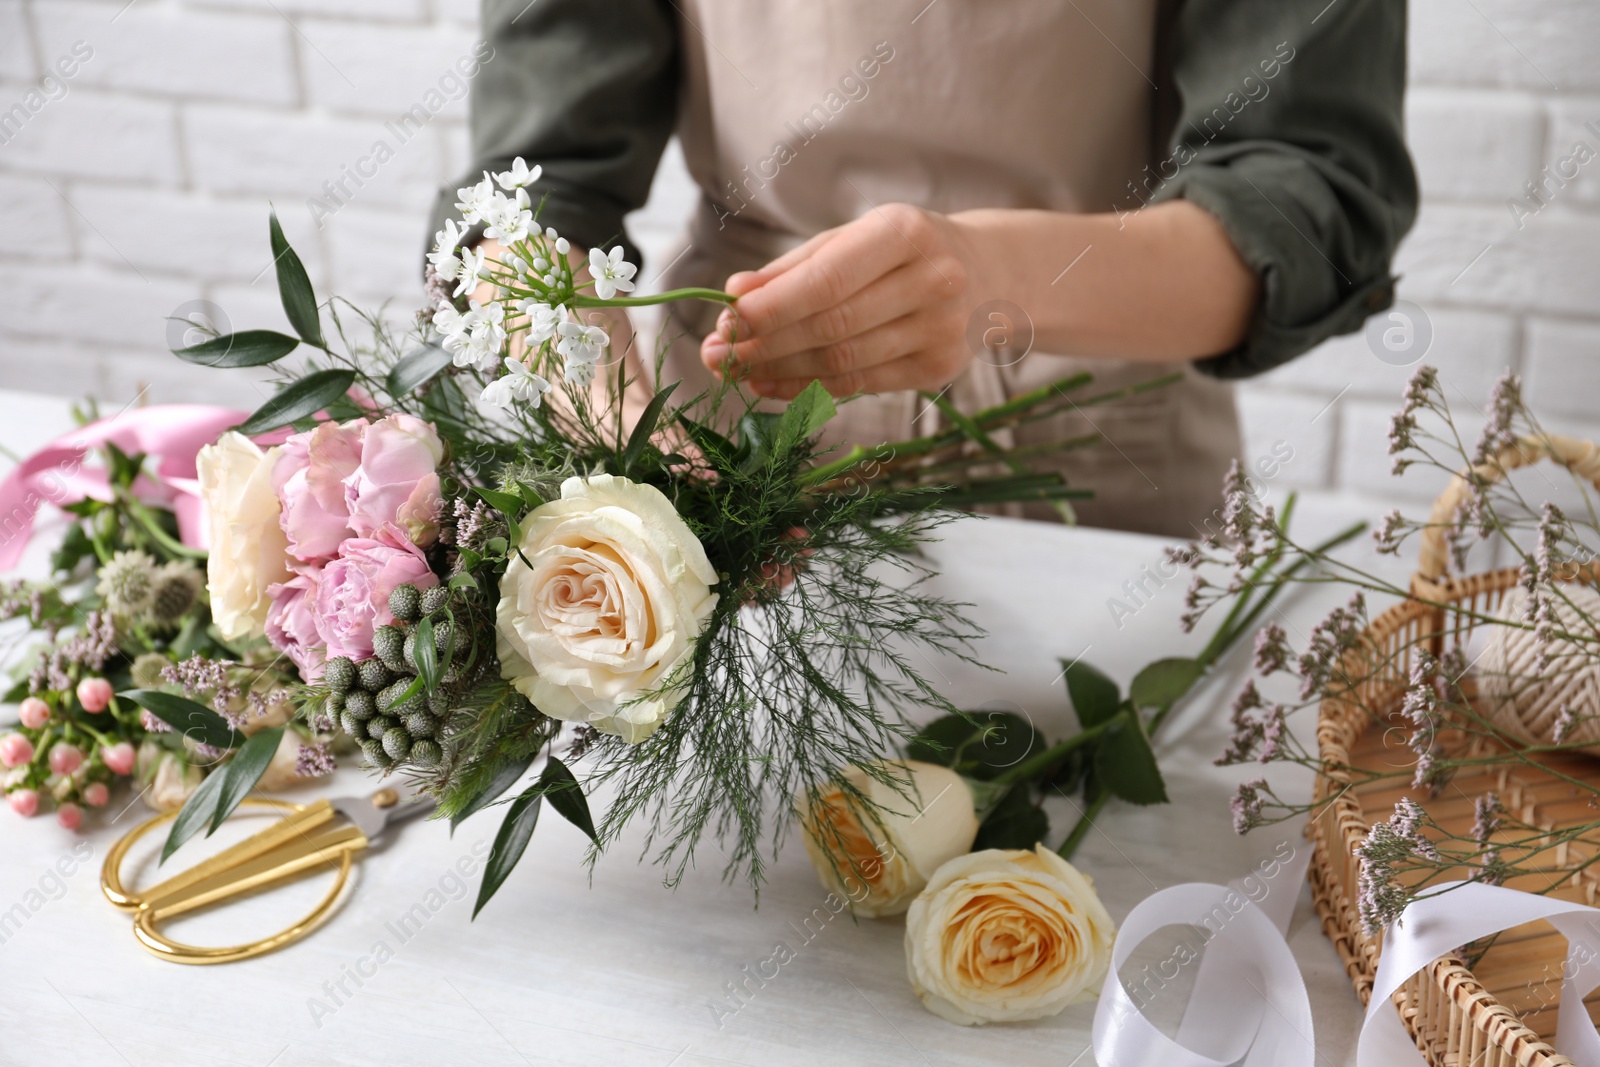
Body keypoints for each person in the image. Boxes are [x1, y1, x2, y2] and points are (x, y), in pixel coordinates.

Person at [430, 0, 1416, 537]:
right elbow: (525, 197)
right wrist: (615, 437)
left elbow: (1306, 190)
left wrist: (994, 274)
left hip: (1099, 461)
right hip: (729, 447)